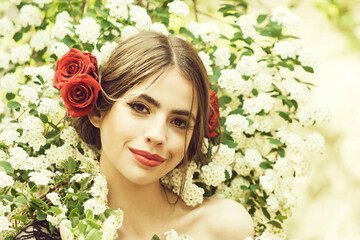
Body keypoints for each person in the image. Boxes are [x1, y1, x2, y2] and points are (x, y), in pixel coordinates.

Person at [16, 32, 254, 240]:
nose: (157, 135)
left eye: (179, 122)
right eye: (140, 107)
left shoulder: (223, 228)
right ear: (98, 110)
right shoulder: (46, 235)